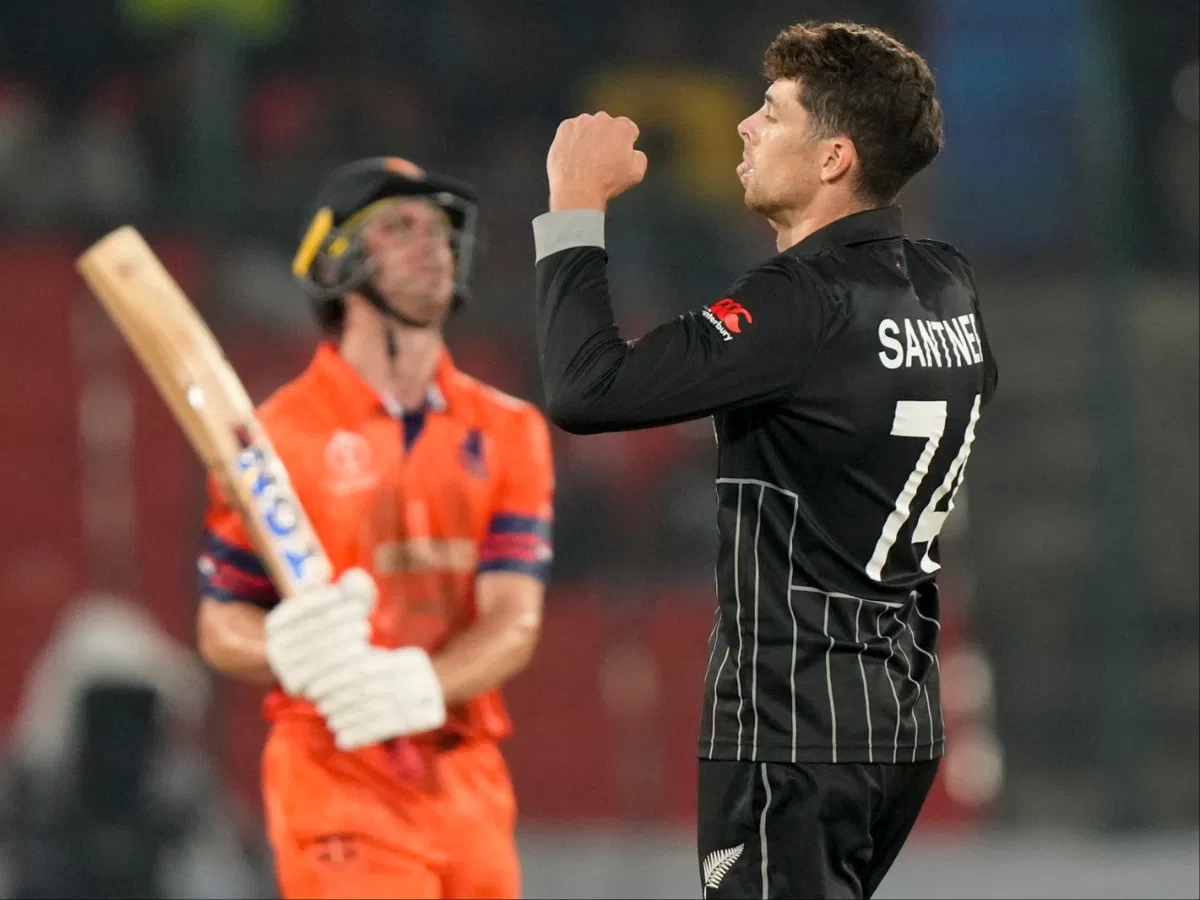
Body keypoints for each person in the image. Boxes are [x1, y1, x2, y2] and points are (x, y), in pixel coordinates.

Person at [532, 21, 997, 900]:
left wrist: (573, 206)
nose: (745, 127)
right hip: (896, 707)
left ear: (833, 159)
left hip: (795, 718)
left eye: (773, 113)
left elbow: (588, 389)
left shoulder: (802, 302)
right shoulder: (947, 284)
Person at [195, 156, 555, 899]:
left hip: (468, 777)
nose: (433, 245)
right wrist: (280, 650)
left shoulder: (510, 429)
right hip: (336, 769)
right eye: (399, 227)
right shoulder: (275, 437)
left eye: (439, 229)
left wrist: (421, 684)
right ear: (337, 260)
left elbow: (515, 620)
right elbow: (221, 623)